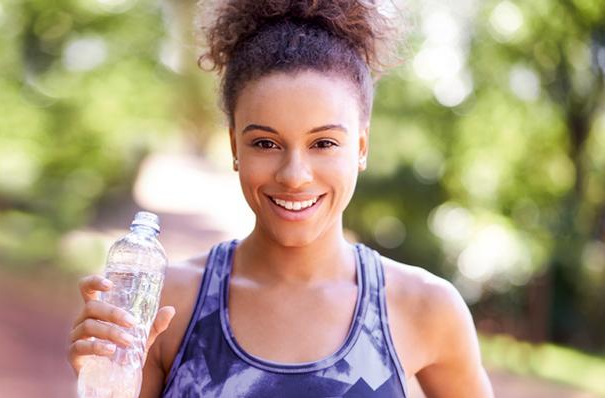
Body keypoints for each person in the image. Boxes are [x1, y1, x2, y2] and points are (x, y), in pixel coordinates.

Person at [68, 0, 494, 396]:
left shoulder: (426, 308)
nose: (294, 176)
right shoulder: (169, 305)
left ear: (361, 148)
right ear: (235, 147)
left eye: (324, 143)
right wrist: (101, 382)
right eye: (265, 144)